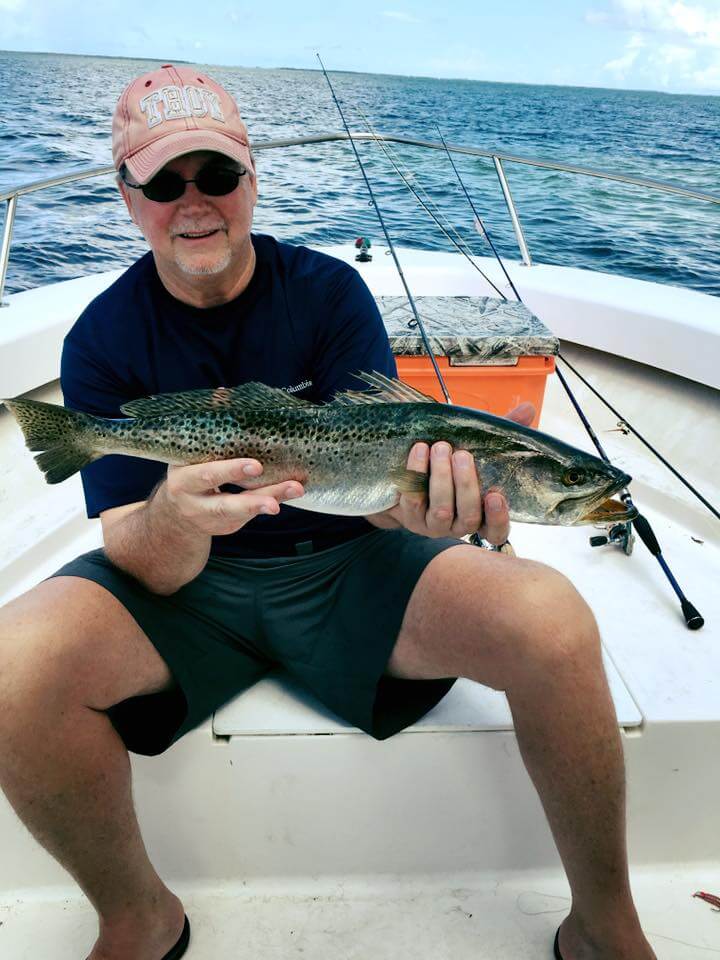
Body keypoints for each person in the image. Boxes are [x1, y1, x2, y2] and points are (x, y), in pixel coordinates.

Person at [0, 64, 657, 960]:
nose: (194, 202)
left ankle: (604, 926)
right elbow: (140, 560)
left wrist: (418, 510)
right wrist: (181, 517)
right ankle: (138, 916)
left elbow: (381, 499)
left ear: (252, 177)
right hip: (186, 589)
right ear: (128, 196)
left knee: (554, 621)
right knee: (8, 666)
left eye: (217, 175)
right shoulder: (102, 337)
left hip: (349, 558)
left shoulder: (327, 293)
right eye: (163, 182)